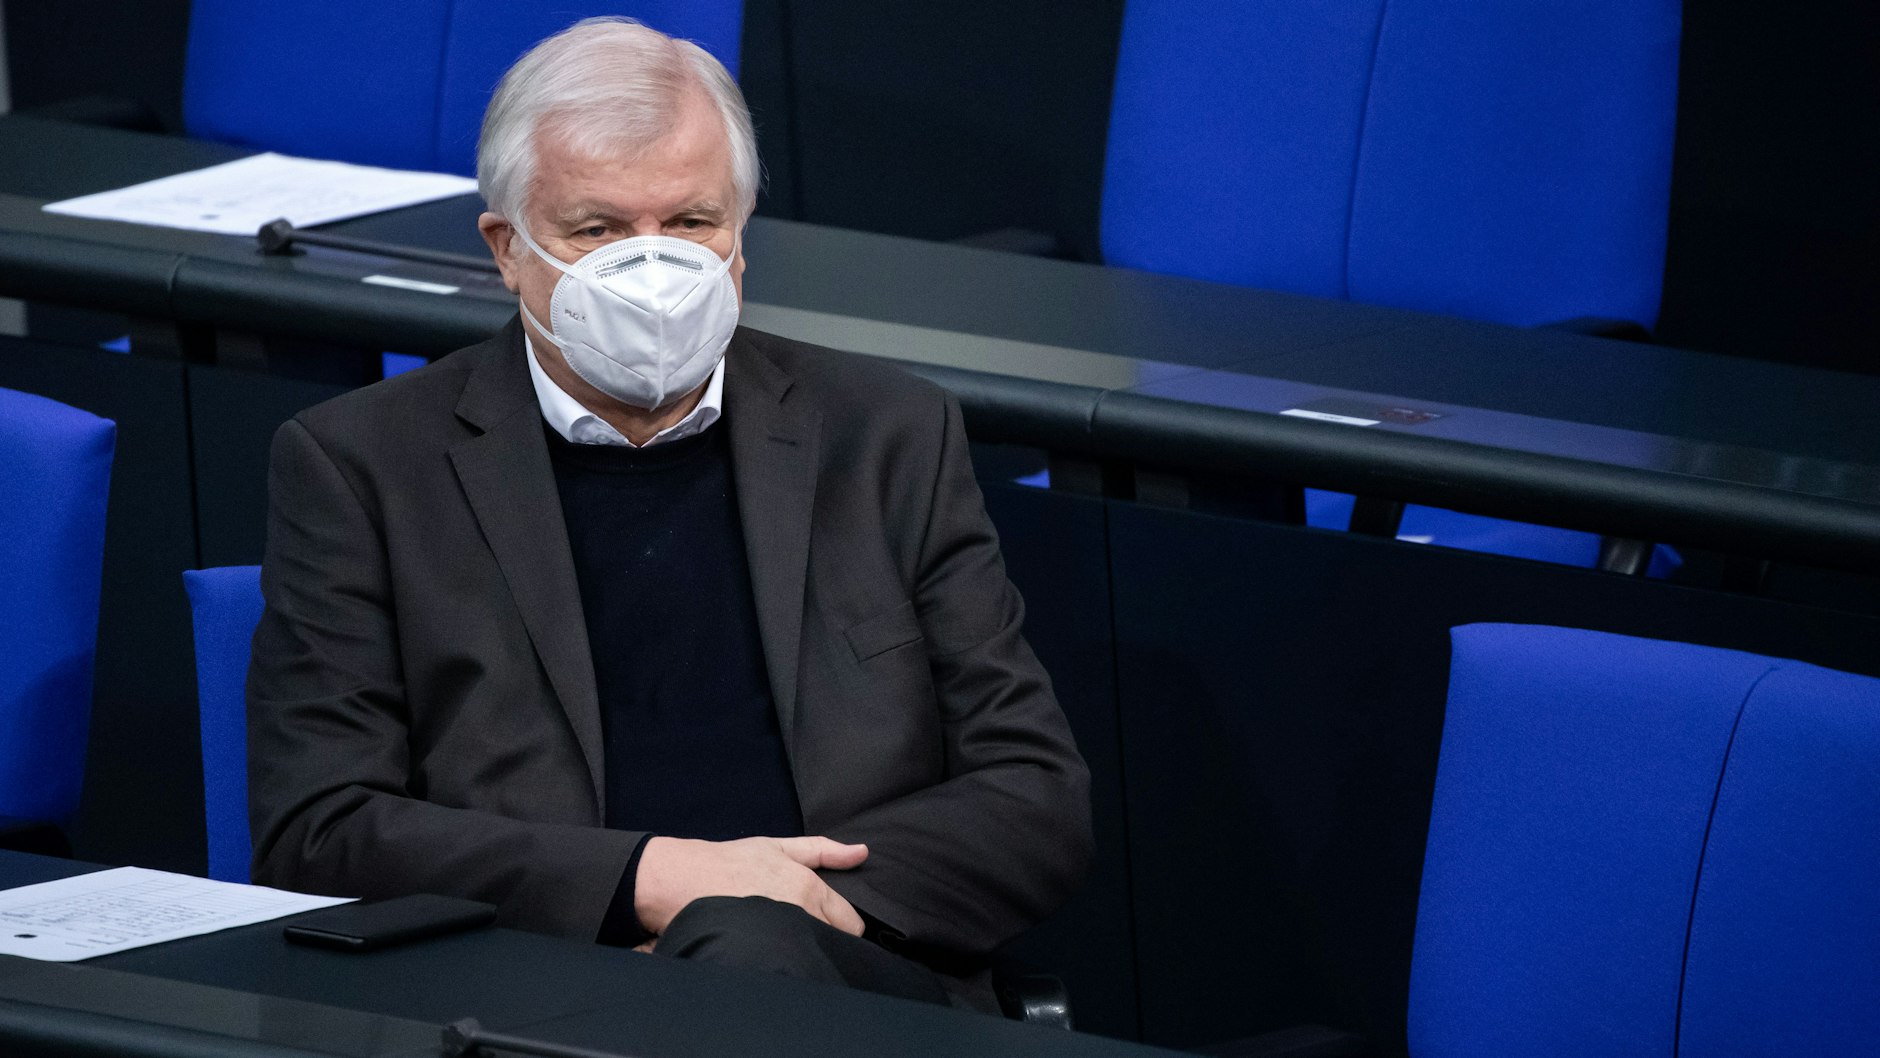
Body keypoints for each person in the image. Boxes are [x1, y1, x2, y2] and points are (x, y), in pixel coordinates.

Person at [246, 17, 1090, 1011]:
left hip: (851, 978)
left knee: (742, 951)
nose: (653, 272)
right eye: (597, 230)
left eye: (690, 222)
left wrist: (783, 905)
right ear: (507, 249)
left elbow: (1033, 796)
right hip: (531, 985)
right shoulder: (364, 464)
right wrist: (647, 879)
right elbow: (318, 826)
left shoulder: (886, 434)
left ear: (741, 234)